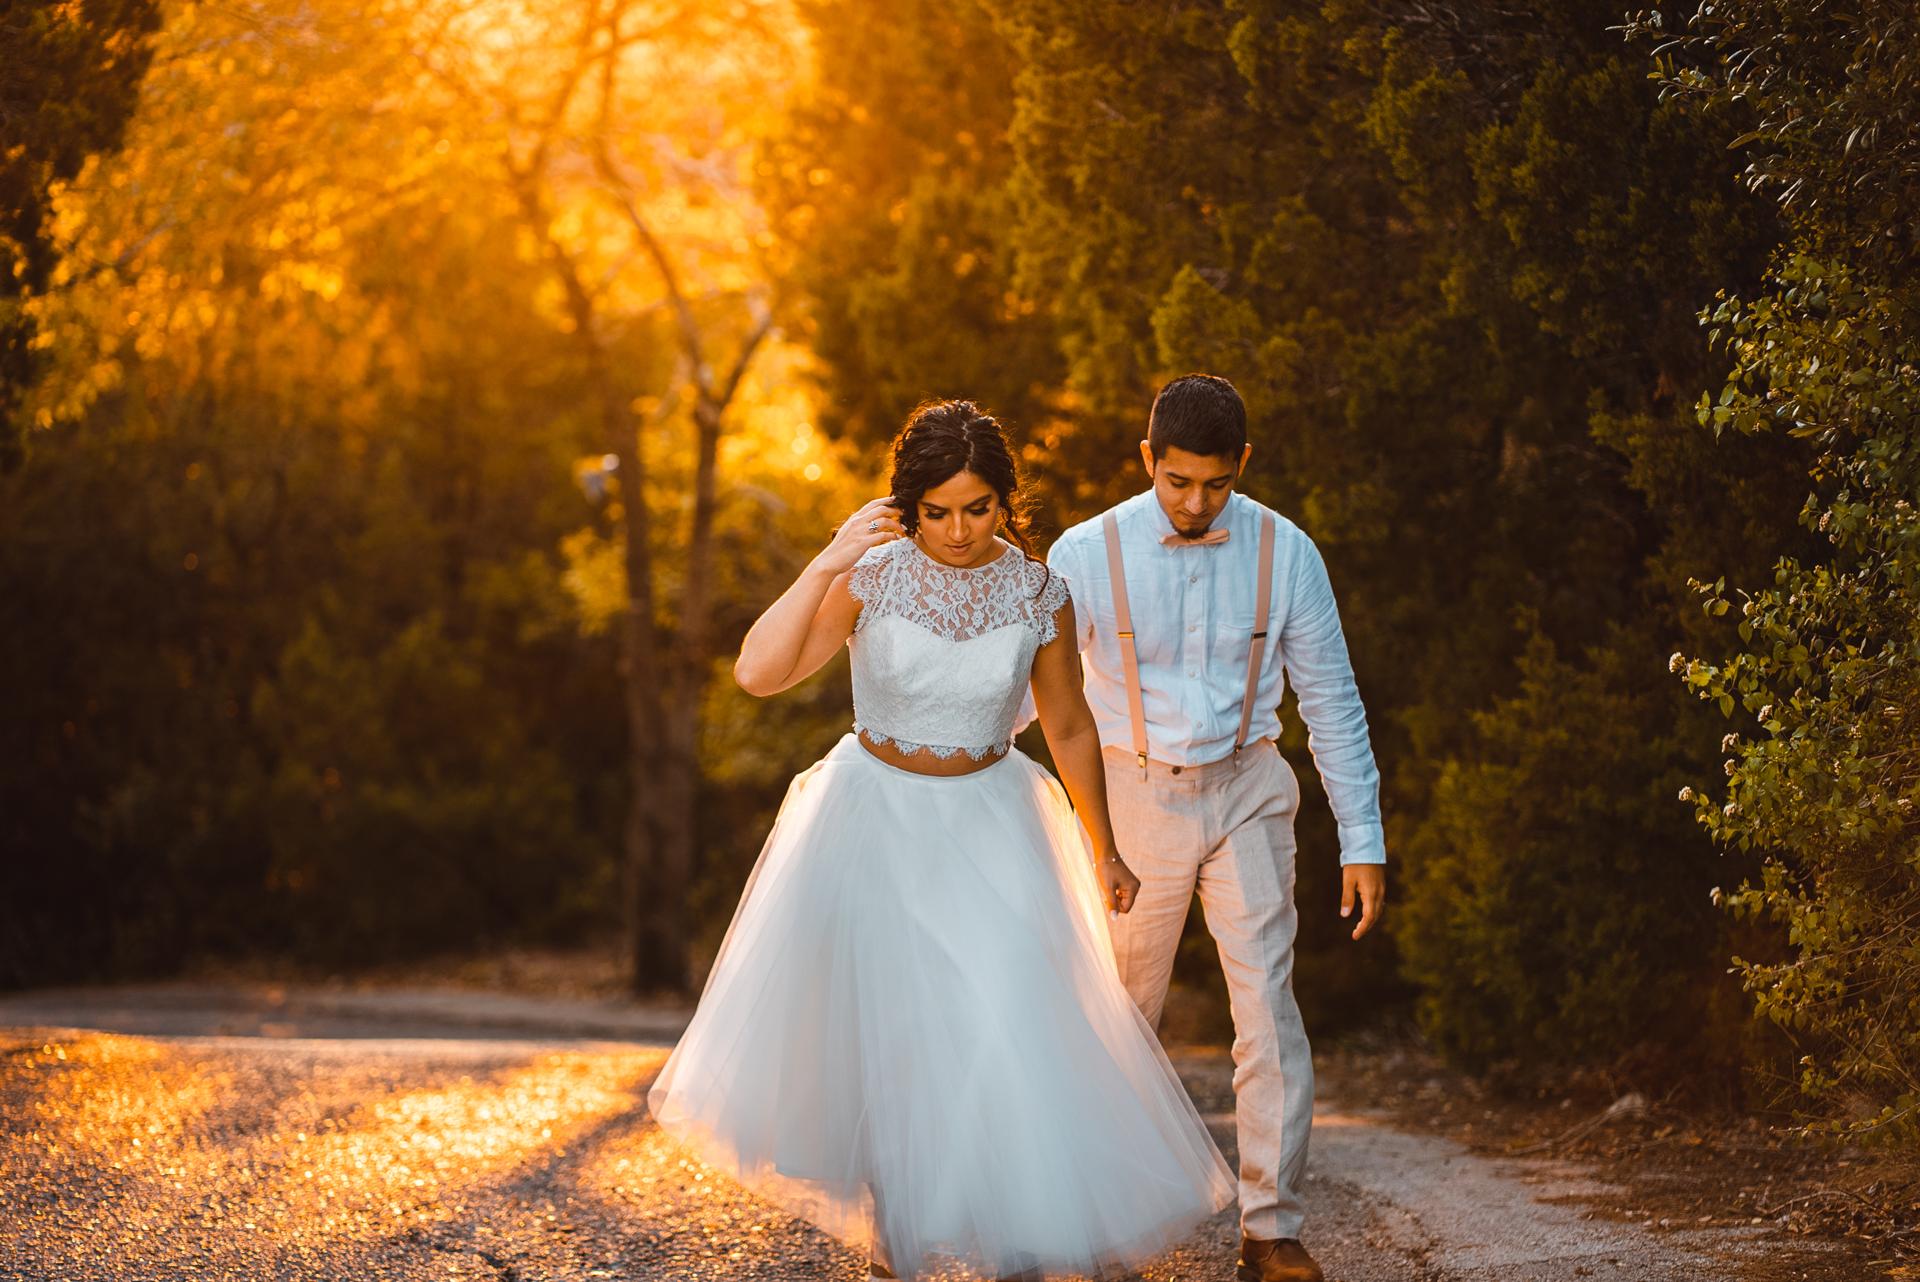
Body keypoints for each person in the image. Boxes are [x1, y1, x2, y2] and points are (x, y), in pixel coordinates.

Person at [648, 400, 1235, 1282]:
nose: (958, 531)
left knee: (1006, 1022)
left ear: (1007, 502)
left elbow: (1071, 727)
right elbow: (758, 672)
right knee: (891, 1033)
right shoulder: (872, 576)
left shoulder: (1040, 593)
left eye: (979, 508)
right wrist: (828, 559)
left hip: (996, 823)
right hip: (870, 821)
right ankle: (898, 1243)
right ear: (907, 506)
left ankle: (1021, 1243)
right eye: (938, 511)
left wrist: (1104, 845)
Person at [1046, 374, 1387, 1282]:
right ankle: (1096, 1229)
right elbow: (1033, 699)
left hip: (1248, 787)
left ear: (1243, 464)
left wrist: (1363, 841)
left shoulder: (1289, 553)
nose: (1195, 504)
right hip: (1130, 796)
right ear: (1148, 460)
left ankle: (1270, 1229)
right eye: (1177, 483)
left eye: (1215, 485)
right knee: (1120, 1015)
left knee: (1269, 1011)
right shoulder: (1082, 553)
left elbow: (1331, 701)